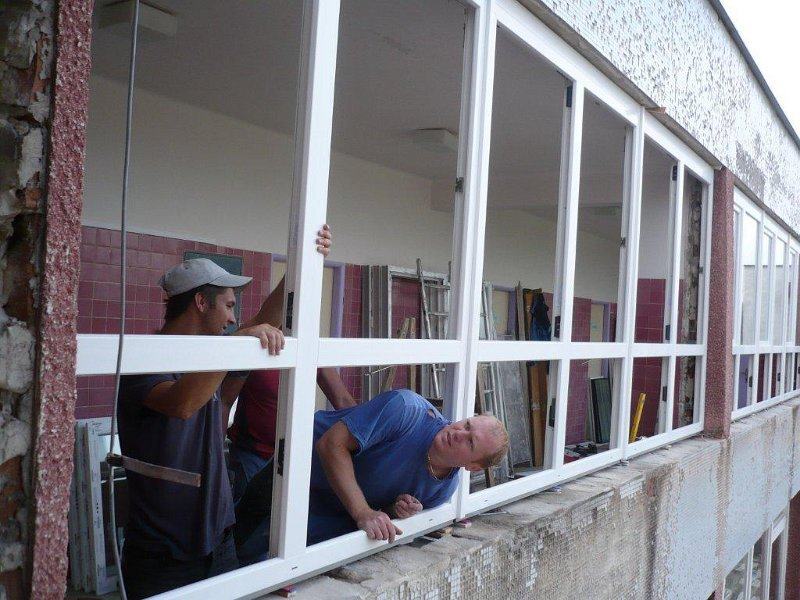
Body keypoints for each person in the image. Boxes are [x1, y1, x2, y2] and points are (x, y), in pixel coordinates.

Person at [117, 228, 330, 599]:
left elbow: (265, 318)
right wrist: (234, 345)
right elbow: (181, 404)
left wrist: (303, 260)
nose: (233, 319)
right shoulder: (145, 360)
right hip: (163, 552)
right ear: (201, 302)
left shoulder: (211, 355)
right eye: (229, 306)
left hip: (218, 542)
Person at [233, 388, 509, 553]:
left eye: (470, 442)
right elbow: (330, 445)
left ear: (472, 467)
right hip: (292, 475)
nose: (458, 432)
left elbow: (380, 511)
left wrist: (393, 510)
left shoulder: (442, 490)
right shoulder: (406, 410)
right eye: (467, 424)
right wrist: (363, 512)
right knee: (236, 554)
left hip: (329, 516)